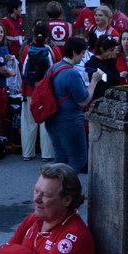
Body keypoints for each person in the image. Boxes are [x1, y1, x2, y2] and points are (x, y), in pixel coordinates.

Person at [44, 38, 91, 173]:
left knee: (60, 158)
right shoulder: (72, 73)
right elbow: (83, 101)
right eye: (82, 54)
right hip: (70, 121)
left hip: (52, 119)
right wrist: (94, 81)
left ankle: (54, 190)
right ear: (75, 52)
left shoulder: (53, 67)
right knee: (77, 160)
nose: (82, 58)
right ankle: (65, 191)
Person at [19, 22, 55, 161]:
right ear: (48, 35)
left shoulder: (27, 48)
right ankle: (47, 154)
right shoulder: (53, 49)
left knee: (28, 123)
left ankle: (27, 153)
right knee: (46, 124)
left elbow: (23, 69)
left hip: (29, 91)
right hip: (46, 92)